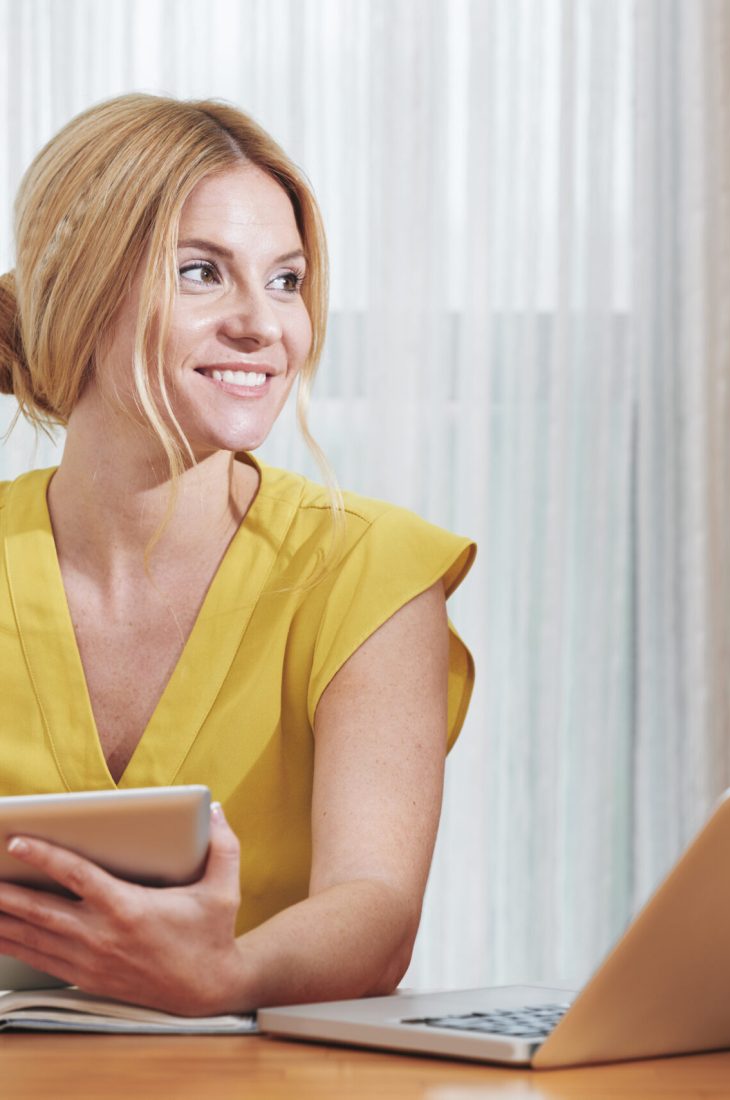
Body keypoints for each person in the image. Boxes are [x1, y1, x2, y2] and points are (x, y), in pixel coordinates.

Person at [0, 94, 475, 1017]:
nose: (265, 325)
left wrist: (228, 977)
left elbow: (376, 909)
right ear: (80, 288)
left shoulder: (371, 573)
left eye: (288, 280)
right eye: (200, 273)